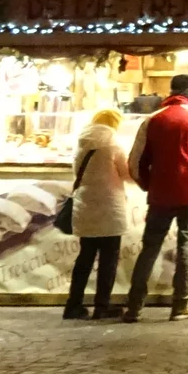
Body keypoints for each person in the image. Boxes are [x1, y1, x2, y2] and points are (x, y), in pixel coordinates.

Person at [123, 74, 188, 323]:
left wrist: (149, 186)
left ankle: (134, 306)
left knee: (150, 248)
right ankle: (181, 304)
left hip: (160, 195)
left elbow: (134, 163)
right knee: (186, 246)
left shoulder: (152, 120)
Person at [65, 109, 132, 320]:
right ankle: (102, 305)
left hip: (86, 205)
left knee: (85, 257)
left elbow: (77, 172)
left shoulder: (81, 142)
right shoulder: (113, 144)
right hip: (110, 206)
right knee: (109, 259)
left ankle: (73, 305)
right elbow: (127, 174)